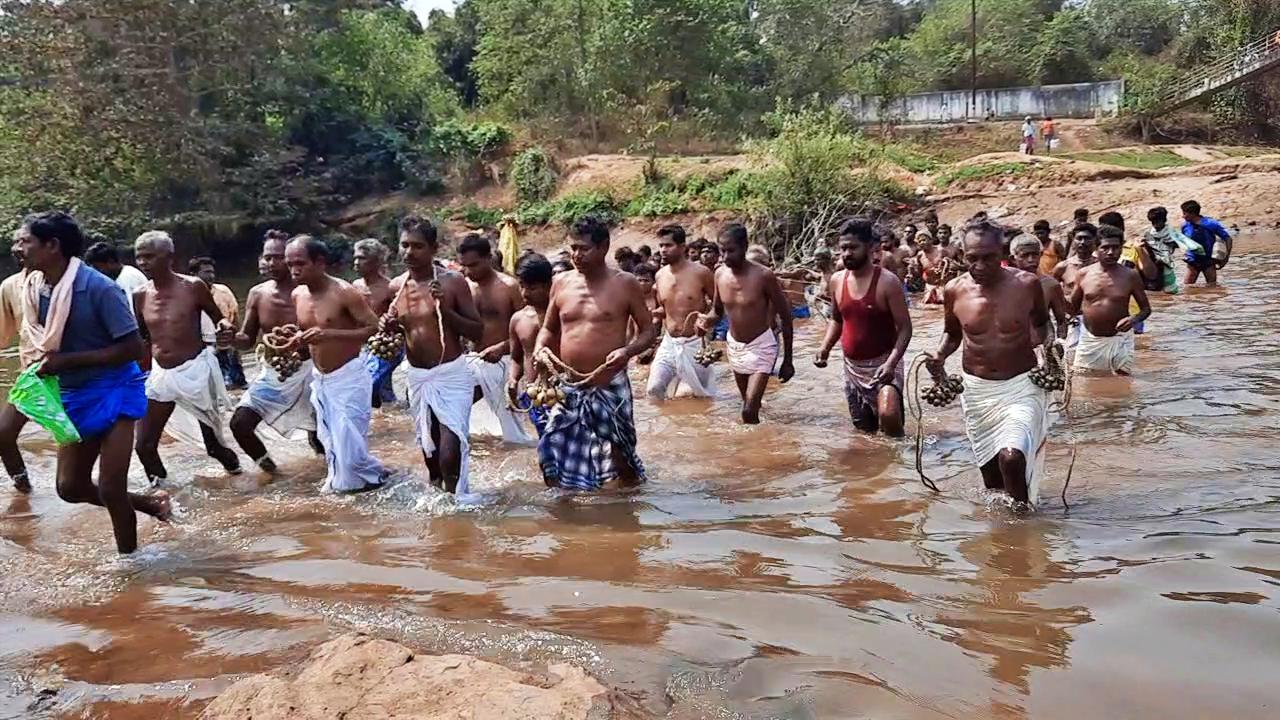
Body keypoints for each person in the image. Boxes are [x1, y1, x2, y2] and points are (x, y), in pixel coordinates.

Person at [17, 212, 168, 553]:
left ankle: (131, 565)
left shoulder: (100, 287)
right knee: (69, 488)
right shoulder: (34, 289)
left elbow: (133, 348)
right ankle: (151, 504)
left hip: (115, 388)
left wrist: (68, 361)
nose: (18, 248)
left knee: (112, 487)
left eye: (26, 241)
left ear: (52, 246)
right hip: (72, 392)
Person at [926, 220, 1051, 507]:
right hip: (977, 391)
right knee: (993, 482)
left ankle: (1022, 526)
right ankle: (1002, 538)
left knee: (1012, 456)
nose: (979, 265)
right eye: (972, 258)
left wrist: (1048, 353)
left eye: (988, 258)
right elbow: (953, 334)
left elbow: (1042, 325)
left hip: (1021, 386)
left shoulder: (1026, 285)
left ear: (1002, 252)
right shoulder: (954, 290)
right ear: (963, 255)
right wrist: (939, 356)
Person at [535, 217, 655, 491]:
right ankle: (564, 513)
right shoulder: (561, 282)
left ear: (603, 248)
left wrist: (627, 351)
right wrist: (541, 349)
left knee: (621, 455)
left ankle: (630, 509)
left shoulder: (625, 284)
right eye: (573, 248)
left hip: (609, 384)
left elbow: (648, 332)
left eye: (584, 248)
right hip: (569, 386)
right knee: (550, 449)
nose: (577, 255)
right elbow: (548, 329)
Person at [132, 232, 241, 485]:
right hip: (161, 375)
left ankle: (239, 477)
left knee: (214, 447)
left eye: (149, 256)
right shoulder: (140, 294)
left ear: (170, 257)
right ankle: (163, 497)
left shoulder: (192, 287)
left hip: (196, 372)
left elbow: (218, 317)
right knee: (144, 446)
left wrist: (225, 327)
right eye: (139, 257)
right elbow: (143, 338)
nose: (142, 262)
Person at [387, 217, 484, 495]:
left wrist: (446, 309)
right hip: (417, 378)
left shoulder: (453, 283)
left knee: (450, 451)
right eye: (404, 245)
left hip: (451, 375)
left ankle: (457, 512)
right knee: (431, 457)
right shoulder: (396, 288)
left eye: (417, 246)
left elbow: (477, 331)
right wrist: (389, 327)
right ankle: (440, 515)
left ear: (433, 248)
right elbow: (402, 333)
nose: (409, 252)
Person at [283, 235, 386, 493]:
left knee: (350, 451)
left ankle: (379, 480)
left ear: (319, 262)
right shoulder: (297, 295)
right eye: (290, 264)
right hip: (322, 380)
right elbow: (305, 331)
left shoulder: (344, 292)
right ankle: (360, 486)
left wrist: (329, 335)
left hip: (349, 377)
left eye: (300, 263)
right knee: (332, 445)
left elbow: (373, 328)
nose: (294, 270)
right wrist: (295, 341)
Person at [230, 230, 322, 472]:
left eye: (278, 257)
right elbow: (246, 340)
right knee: (239, 423)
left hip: (312, 372)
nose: (271, 263)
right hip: (275, 373)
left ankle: (324, 472)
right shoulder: (258, 294)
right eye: (267, 257)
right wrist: (230, 337)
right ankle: (271, 472)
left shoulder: (311, 291)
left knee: (319, 437)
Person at [814, 219, 911, 436]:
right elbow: (837, 319)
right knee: (864, 431)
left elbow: (905, 328)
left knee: (890, 416)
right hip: (853, 368)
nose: (846, 253)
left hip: (885, 363)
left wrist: (891, 363)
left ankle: (901, 463)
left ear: (870, 248)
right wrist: (825, 348)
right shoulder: (837, 281)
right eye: (843, 248)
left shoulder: (887, 282)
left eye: (853, 248)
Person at [701, 224, 794, 424]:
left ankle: (757, 451)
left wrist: (788, 360)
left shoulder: (764, 276)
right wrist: (705, 322)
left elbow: (786, 317)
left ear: (744, 247)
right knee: (748, 404)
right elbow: (717, 312)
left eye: (730, 250)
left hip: (762, 346)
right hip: (734, 346)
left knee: (748, 410)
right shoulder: (719, 275)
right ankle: (760, 443)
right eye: (722, 251)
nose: (725, 257)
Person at [456, 233, 534, 446]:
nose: (468, 271)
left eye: (473, 265)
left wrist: (501, 347)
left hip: (504, 363)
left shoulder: (509, 287)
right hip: (472, 360)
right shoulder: (464, 287)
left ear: (488, 258)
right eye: (464, 266)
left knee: (514, 434)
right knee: (454, 410)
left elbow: (529, 329)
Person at [1069, 226, 1152, 376]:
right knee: (1083, 380)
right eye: (1105, 248)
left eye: (1115, 248)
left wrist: (1133, 319)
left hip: (1121, 338)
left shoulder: (1130, 276)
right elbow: (1072, 310)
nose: (1110, 252)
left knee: (1124, 382)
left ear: (1122, 248)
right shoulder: (1083, 274)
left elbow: (1146, 309)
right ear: (1096, 248)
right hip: (1090, 340)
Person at [647, 224, 716, 399]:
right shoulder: (660, 275)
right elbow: (667, 308)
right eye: (661, 246)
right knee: (654, 389)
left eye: (668, 245)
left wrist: (706, 320)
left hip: (694, 342)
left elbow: (718, 304)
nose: (663, 250)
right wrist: (655, 314)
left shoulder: (701, 273)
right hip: (669, 343)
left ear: (682, 247)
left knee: (690, 396)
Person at [0, 230, 34, 492]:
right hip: (32, 375)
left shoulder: (62, 282)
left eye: (24, 241)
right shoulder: (9, 286)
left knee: (80, 439)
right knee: (3, 433)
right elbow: (4, 335)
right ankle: (24, 490)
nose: (17, 248)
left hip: (70, 373)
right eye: (15, 242)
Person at [506, 253, 554, 437]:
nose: (525, 293)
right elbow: (516, 357)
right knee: (545, 442)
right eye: (522, 286)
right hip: (534, 394)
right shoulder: (518, 320)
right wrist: (513, 380)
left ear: (548, 285)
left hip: (563, 392)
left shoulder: (564, 316)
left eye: (532, 287)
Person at [350, 238, 400, 408]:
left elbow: (400, 318)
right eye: (355, 258)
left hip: (385, 345)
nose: (356, 263)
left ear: (376, 262)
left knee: (369, 383)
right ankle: (390, 419)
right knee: (381, 390)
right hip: (361, 345)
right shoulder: (354, 286)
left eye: (362, 258)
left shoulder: (389, 287)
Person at [189, 256, 246, 390]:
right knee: (211, 388)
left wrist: (237, 340)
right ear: (194, 274)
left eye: (212, 272)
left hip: (227, 345)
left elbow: (235, 314)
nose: (211, 276)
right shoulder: (187, 296)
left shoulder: (223, 291)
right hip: (204, 348)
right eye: (206, 272)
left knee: (238, 384)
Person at [1010, 234, 1068, 341]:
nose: (1031, 260)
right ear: (1013, 258)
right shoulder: (1006, 285)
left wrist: (1060, 342)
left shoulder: (1050, 285)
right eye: (1025, 255)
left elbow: (1061, 320)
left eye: (1035, 255)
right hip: (1014, 347)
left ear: (1041, 255)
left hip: (1042, 345)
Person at [1053, 223, 1098, 348]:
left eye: (1087, 238)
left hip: (1097, 320)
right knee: (1070, 359)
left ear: (1095, 240)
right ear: (1073, 240)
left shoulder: (1102, 266)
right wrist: (1060, 319)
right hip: (1072, 320)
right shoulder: (1063, 267)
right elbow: (1051, 293)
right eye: (1079, 238)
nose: (1082, 242)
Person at [1143, 207, 1203, 294]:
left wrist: (1175, 245)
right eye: (1153, 222)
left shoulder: (1171, 232)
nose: (1155, 225)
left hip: (1166, 264)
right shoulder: (1150, 233)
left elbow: (1185, 242)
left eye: (1157, 222)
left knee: (1170, 291)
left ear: (1164, 220)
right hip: (1153, 265)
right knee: (1153, 288)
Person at [1180, 200, 1232, 287]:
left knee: (1212, 287)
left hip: (1208, 261)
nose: (1183, 216)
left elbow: (1228, 239)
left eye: (1185, 213)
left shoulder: (1210, 224)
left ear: (1193, 214)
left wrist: (1225, 258)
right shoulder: (1185, 226)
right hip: (1193, 262)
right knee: (1187, 288)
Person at [84, 242, 149, 302]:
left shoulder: (129, 278)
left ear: (111, 262)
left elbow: (131, 311)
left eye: (98, 267)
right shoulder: (120, 276)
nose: (97, 272)